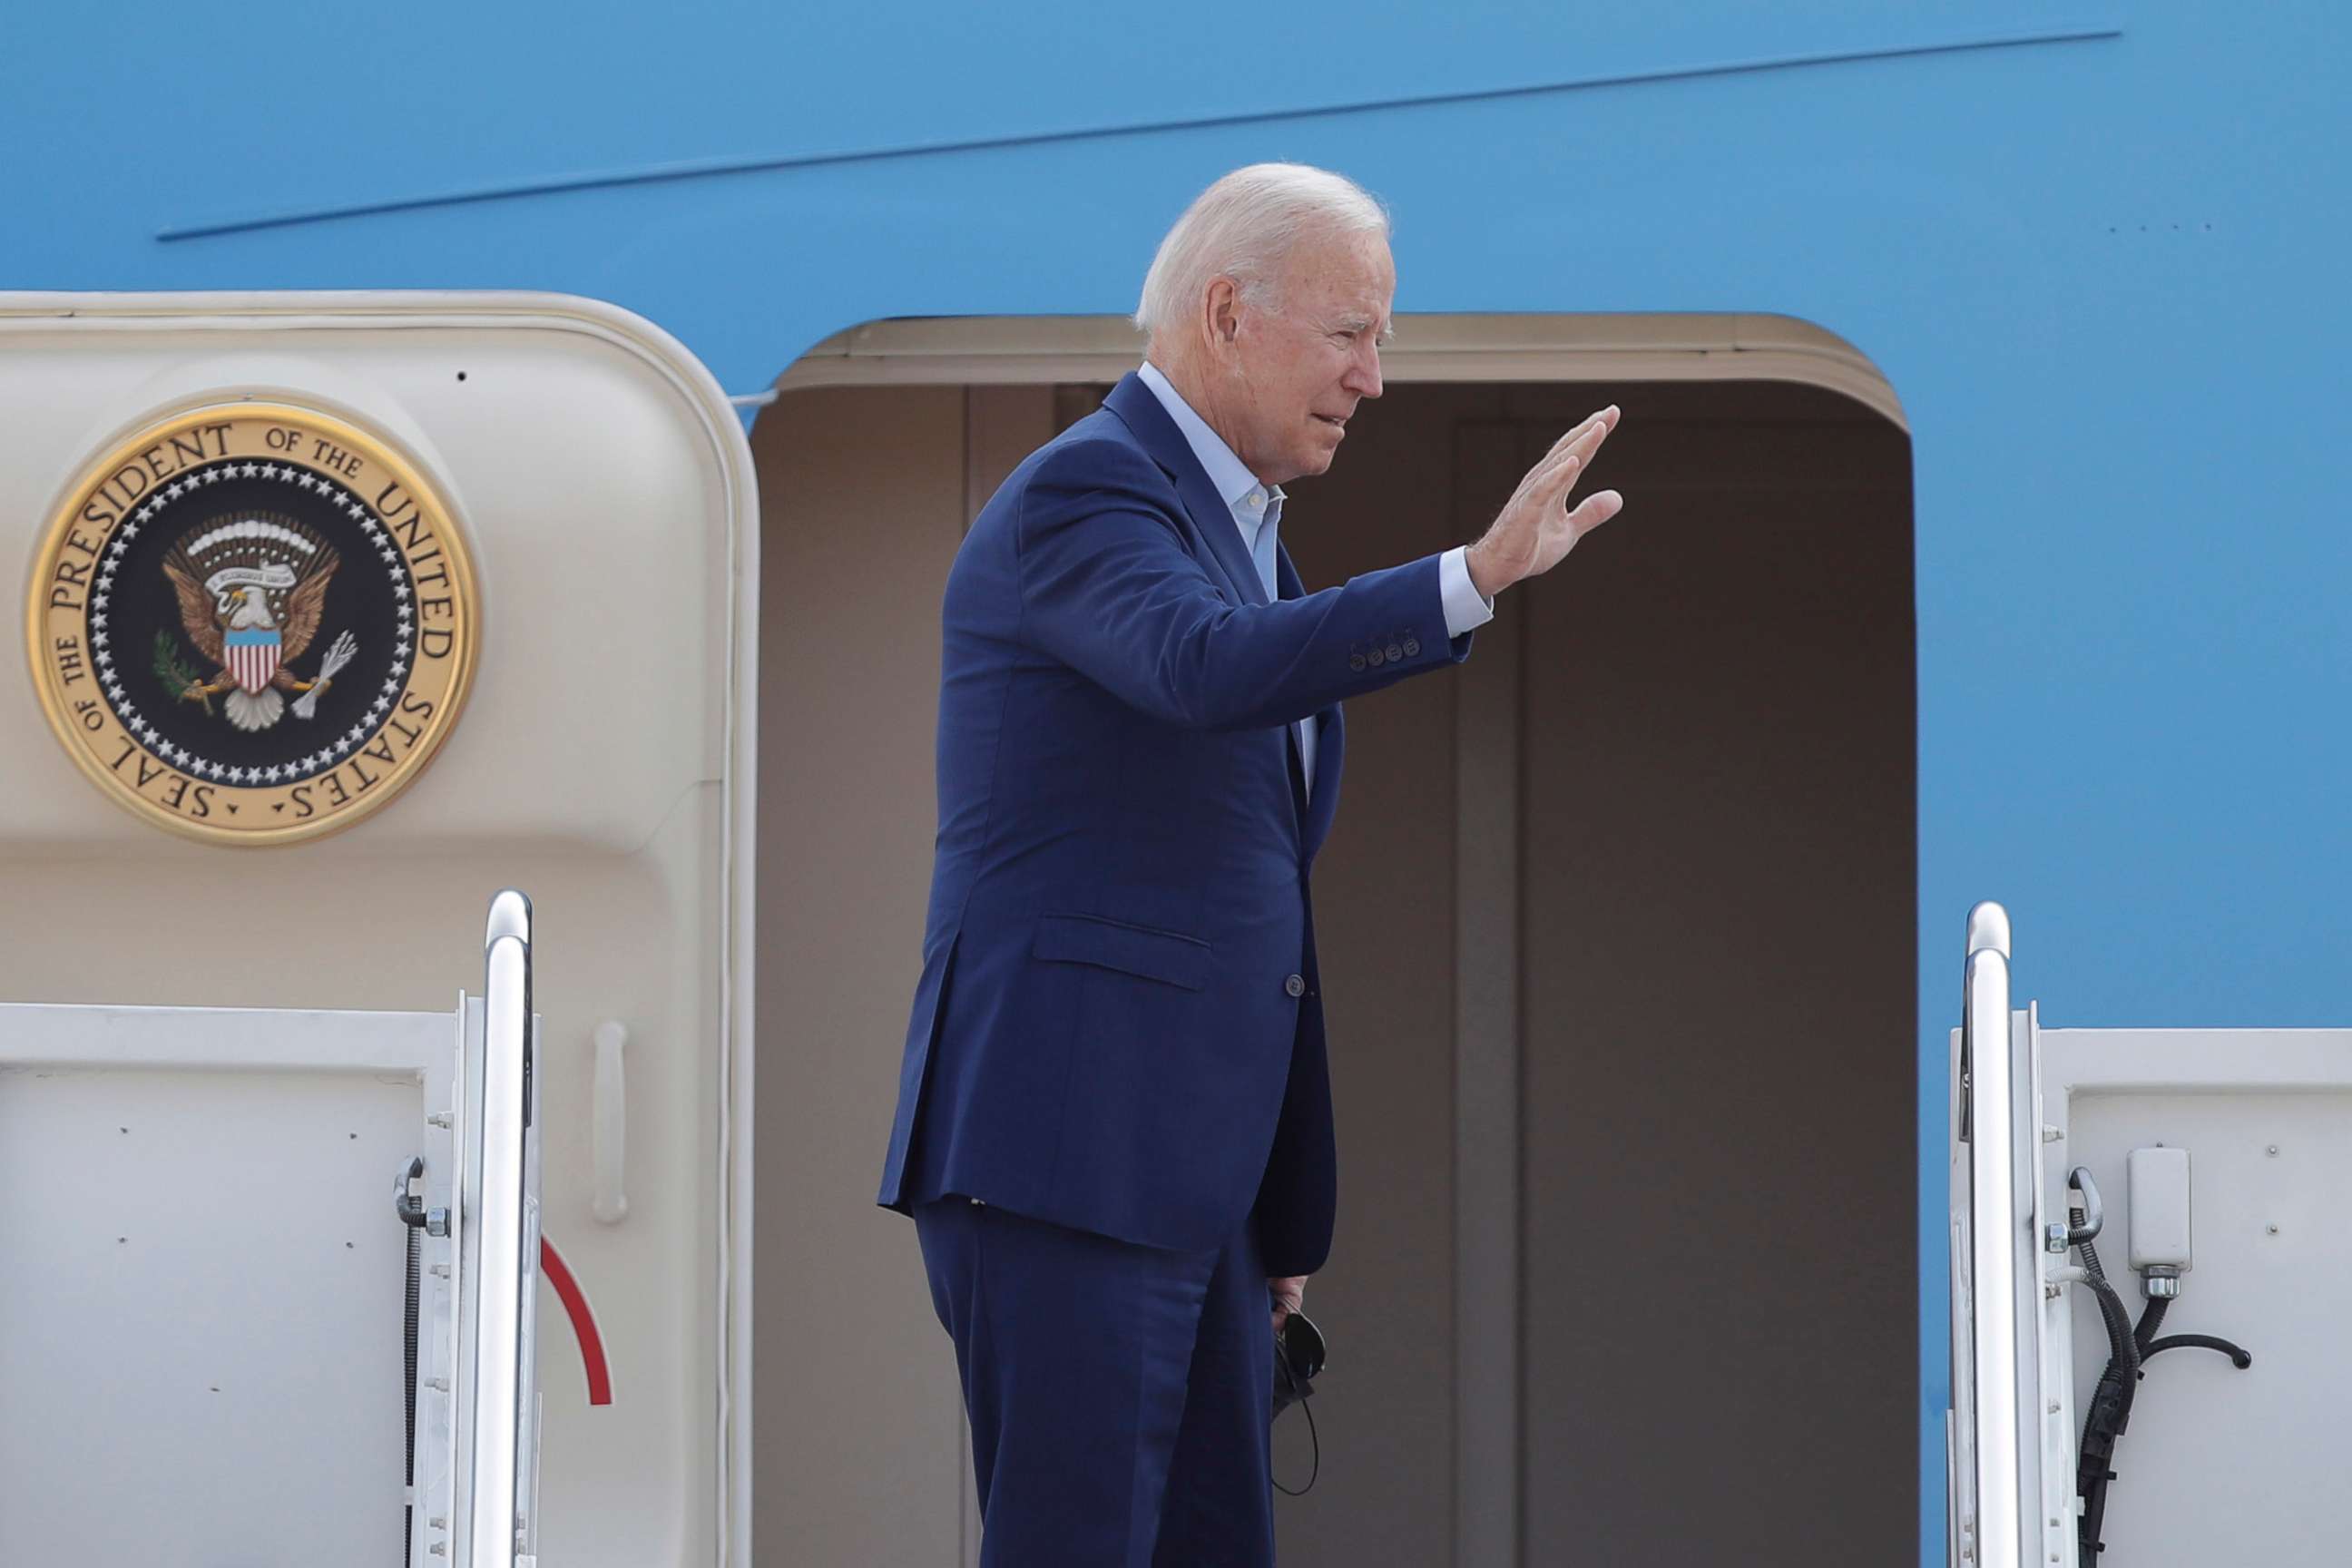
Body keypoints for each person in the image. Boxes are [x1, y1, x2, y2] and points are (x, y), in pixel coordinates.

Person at [876, 162, 1623, 1566]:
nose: (1376, 376)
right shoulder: (1087, 492)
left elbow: (1251, 907)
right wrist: (1470, 578)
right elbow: (1201, 669)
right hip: (1067, 1161)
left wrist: (1277, 1208)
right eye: (1351, 333)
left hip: (1187, 1189)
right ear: (1227, 313)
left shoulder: (1240, 539)